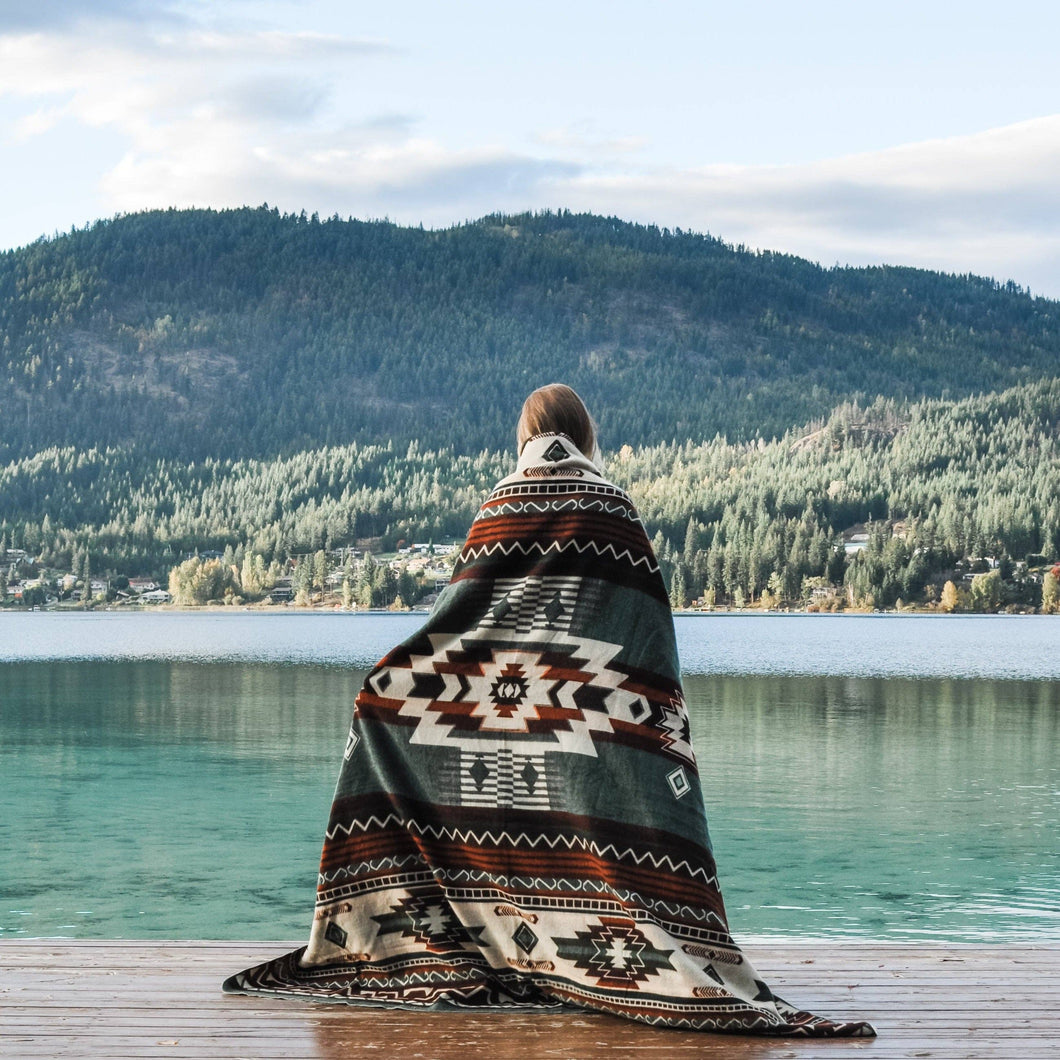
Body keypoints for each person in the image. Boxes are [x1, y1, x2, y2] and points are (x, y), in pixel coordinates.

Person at [224, 384, 874, 1037]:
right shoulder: (613, 506)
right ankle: (591, 944)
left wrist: (391, 686)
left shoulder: (501, 505)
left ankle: (423, 931)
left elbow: (462, 624)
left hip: (498, 705)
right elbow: (645, 635)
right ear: (585, 434)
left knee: (377, 707)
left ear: (525, 436)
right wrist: (641, 708)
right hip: (586, 712)